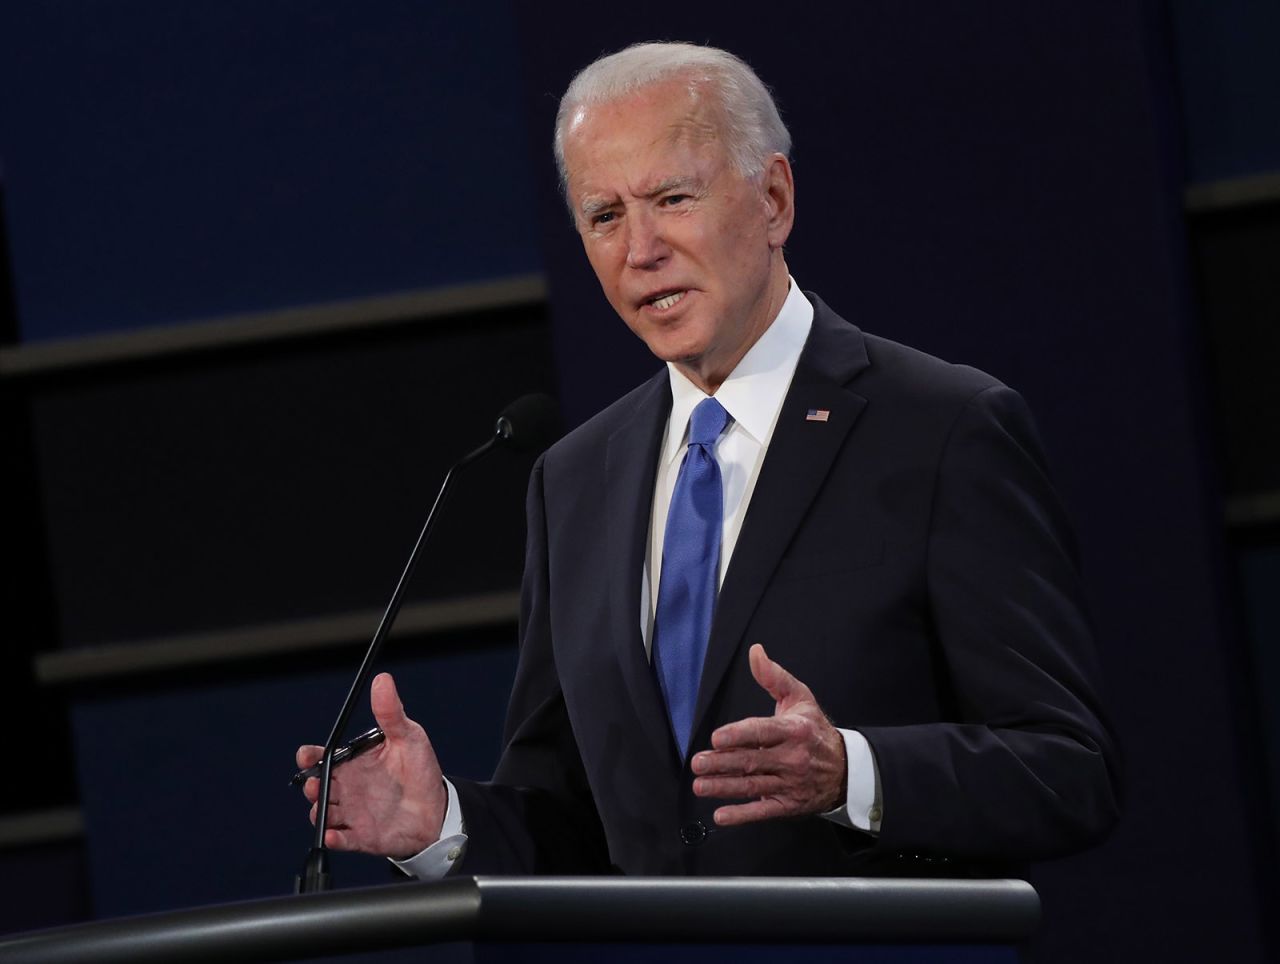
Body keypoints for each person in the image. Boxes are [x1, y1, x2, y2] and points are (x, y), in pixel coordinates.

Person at [298, 41, 1119, 878]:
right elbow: (574, 820)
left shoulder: (945, 428)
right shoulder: (574, 479)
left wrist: (852, 773)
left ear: (772, 199)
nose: (640, 249)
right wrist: (442, 824)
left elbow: (1067, 769)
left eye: (673, 198)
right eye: (605, 216)